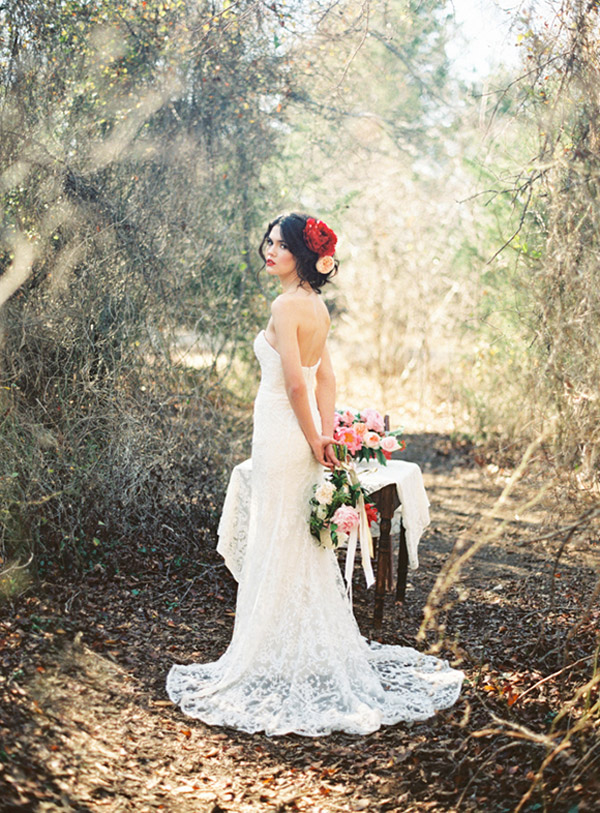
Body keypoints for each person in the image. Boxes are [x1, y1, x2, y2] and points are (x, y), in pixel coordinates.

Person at [166, 212, 463, 736]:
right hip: (299, 434)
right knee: (297, 538)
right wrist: (326, 437)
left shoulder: (285, 305)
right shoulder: (316, 307)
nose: (269, 251)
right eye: (268, 242)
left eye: (279, 245)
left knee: (278, 535)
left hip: (284, 433)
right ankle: (290, 645)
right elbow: (326, 377)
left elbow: (300, 386)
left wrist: (314, 438)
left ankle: (272, 653)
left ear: (302, 255)